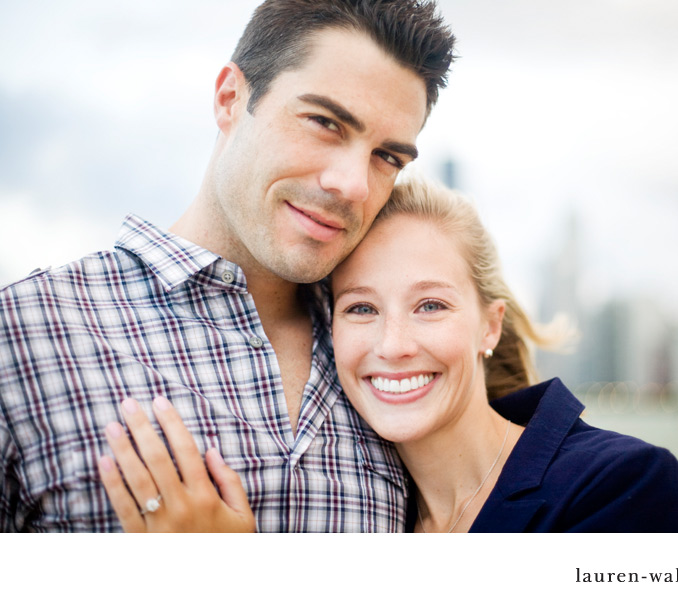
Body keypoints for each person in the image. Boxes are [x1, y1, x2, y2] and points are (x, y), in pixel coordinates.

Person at [0, 0, 456, 532]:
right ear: (230, 99)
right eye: (325, 123)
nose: (354, 185)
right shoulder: (24, 334)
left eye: (388, 158)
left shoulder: (402, 364)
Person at [100, 177, 678, 532]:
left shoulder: (622, 485)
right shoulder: (365, 512)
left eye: (430, 305)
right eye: (360, 309)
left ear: (489, 326)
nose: (393, 346)